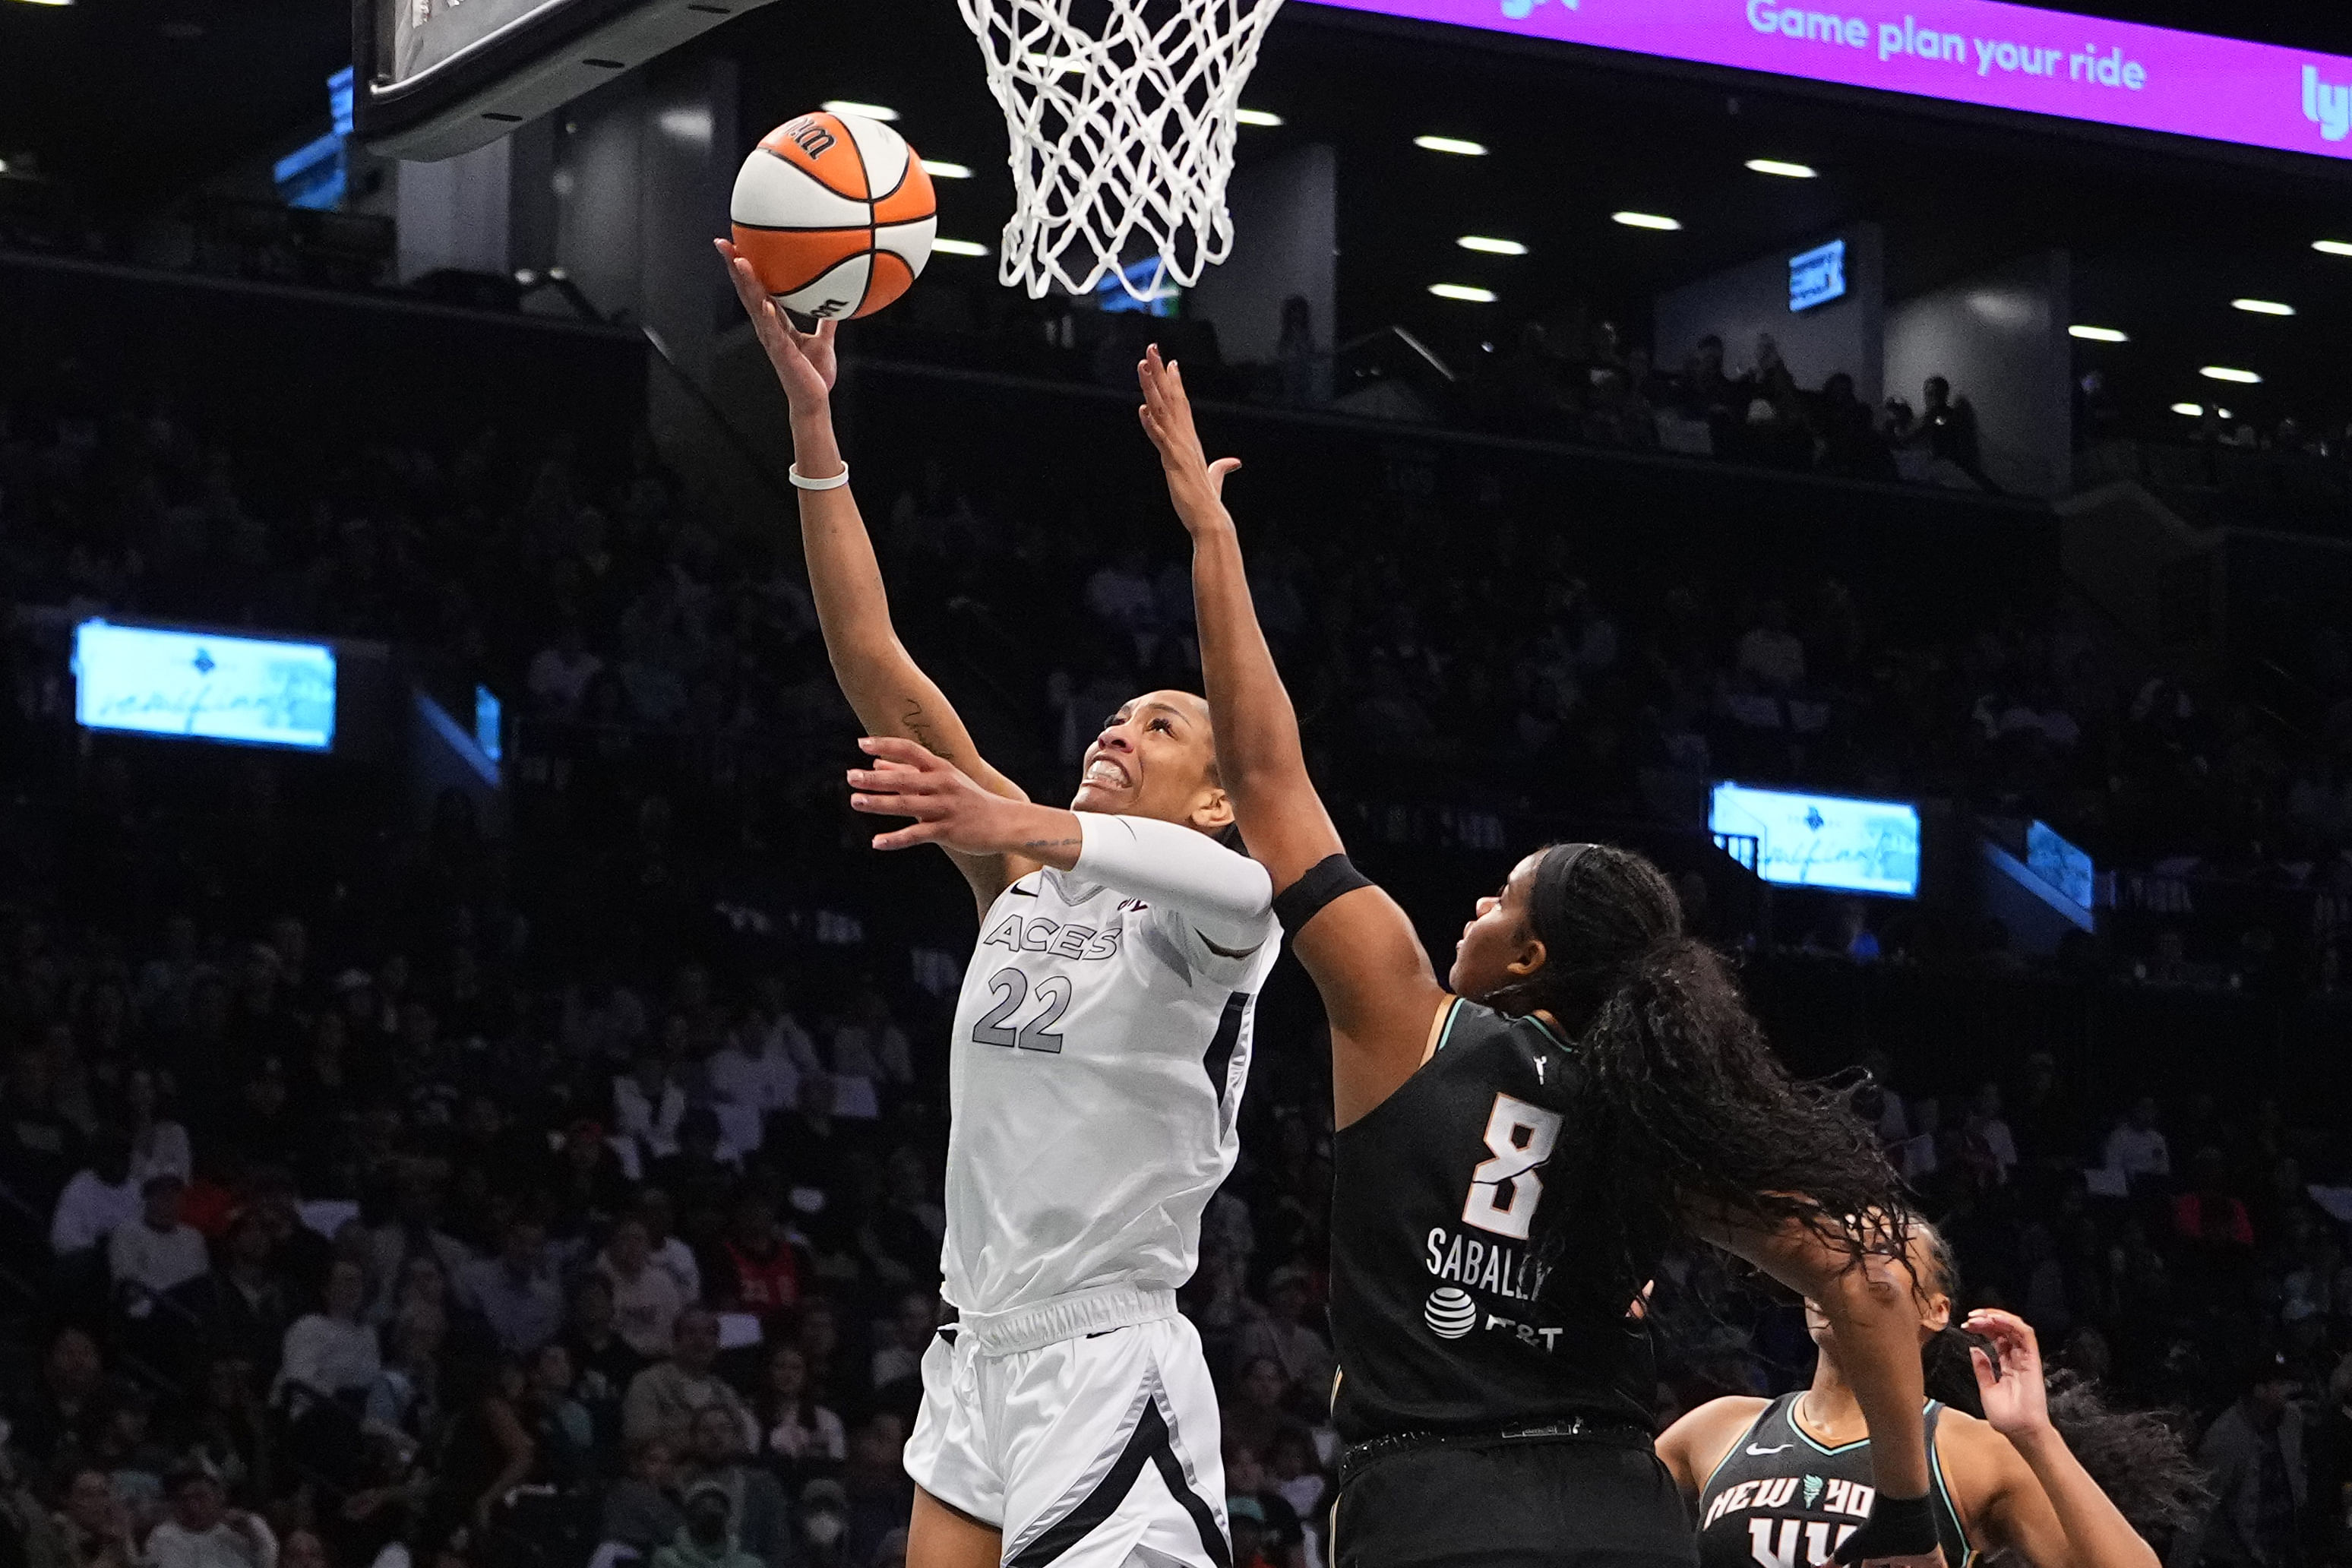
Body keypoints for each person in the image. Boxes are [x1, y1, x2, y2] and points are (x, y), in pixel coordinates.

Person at [1137, 343, 1944, 1568]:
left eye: (1504, 899)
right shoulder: (1661, 1130)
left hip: (1434, 1515)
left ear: (1532, 960)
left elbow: (1261, 775)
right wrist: (1899, 1514)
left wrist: (1211, 534)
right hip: (1624, 1520)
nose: (1477, 902)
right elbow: (1873, 1280)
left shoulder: (1404, 1012)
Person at [719, 243, 1282, 1568]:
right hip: (972, 1350)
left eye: (1161, 724)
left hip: (1107, 1352)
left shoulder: (1214, 919)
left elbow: (1252, 883)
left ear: (1214, 794)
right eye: (1118, 712)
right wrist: (812, 425)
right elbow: (873, 657)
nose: (1119, 726)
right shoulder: (1027, 877)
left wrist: (1022, 820)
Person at [1659, 1222, 2205, 1568]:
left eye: (1875, 1252)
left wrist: (2036, 1436)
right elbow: (1589, 1515)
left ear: (1935, 1310)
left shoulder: (1974, 1451)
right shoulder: (1716, 1427)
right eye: (1830, 1256)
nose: (1840, 1274)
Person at [142, 1468, 277, 1568]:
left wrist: (251, 1534)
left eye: (201, 1497)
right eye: (185, 1499)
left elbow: (269, 1561)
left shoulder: (248, 1524)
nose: (192, 1506)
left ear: (220, 1497)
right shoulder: (163, 1534)